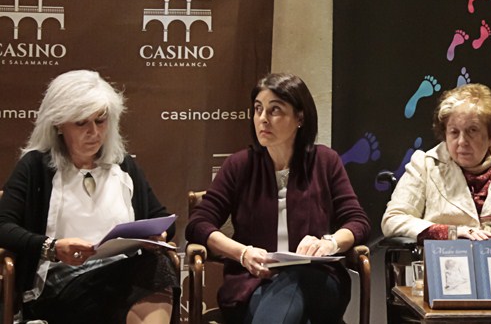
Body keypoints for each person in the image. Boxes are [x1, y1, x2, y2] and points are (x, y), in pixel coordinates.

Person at [185, 73, 370, 324]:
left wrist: (329, 243)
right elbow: (199, 224)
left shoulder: (325, 162)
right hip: (253, 286)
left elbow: (357, 222)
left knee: (294, 276)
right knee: (286, 300)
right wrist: (243, 253)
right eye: (258, 109)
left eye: (275, 111)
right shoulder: (240, 165)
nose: (263, 119)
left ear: (300, 117)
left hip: (319, 284)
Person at [0, 70, 178, 324]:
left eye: (101, 121)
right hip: (61, 284)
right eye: (81, 123)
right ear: (59, 124)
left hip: (119, 275)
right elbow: (3, 226)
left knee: (157, 265)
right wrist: (52, 248)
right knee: (140, 280)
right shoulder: (36, 166)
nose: (94, 132)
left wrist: (158, 236)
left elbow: (162, 218)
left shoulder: (123, 166)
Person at [381, 83, 491, 268]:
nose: (462, 141)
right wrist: (448, 232)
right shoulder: (424, 165)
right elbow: (393, 220)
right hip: (442, 273)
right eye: (454, 132)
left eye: (472, 130)